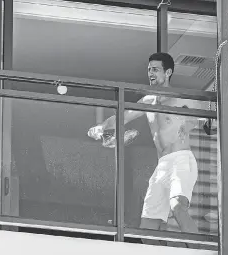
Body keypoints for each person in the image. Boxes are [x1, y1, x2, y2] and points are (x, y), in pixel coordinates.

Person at [88, 52, 206, 247]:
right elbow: (123, 116)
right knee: (147, 228)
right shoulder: (147, 101)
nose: (151, 73)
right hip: (162, 166)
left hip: (181, 159)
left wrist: (196, 123)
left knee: (178, 207)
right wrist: (102, 126)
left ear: (168, 72)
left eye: (155, 69)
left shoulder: (180, 99)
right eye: (149, 69)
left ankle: (199, 251)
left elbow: (204, 120)